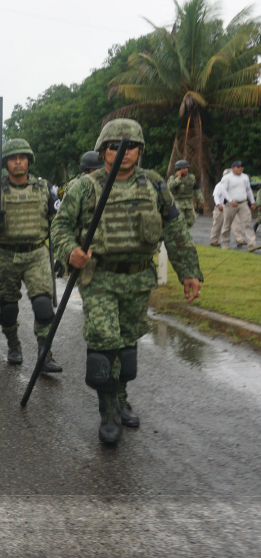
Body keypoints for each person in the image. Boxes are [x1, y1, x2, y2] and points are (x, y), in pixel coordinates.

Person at [52, 119, 202, 445]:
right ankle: (107, 411)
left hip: (138, 278)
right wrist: (70, 251)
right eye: (115, 146)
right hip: (99, 277)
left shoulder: (155, 185)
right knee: (104, 346)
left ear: (140, 150)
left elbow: (175, 231)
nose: (123, 152)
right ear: (103, 149)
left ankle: (121, 397)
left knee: (127, 344)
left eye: (130, 145)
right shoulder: (84, 186)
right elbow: (60, 228)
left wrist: (189, 271)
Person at [0, 138, 62, 372]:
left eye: (22, 157)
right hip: (6, 255)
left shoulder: (45, 188)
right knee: (8, 310)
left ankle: (45, 355)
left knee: (44, 306)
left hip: (37, 255)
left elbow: (60, 224)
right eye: (13, 158)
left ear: (29, 161)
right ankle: (14, 345)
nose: (18, 162)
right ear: (5, 163)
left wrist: (62, 256)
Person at [218, 161, 256, 249]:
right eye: (238, 167)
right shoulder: (227, 178)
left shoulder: (245, 177)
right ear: (232, 168)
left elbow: (248, 190)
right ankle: (225, 244)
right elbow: (223, 190)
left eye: (242, 167)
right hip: (231, 204)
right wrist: (230, 200)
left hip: (243, 203)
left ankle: (252, 244)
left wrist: (253, 202)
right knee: (227, 224)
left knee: (247, 223)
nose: (240, 168)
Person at [167, 159, 203, 229]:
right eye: (183, 168)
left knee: (191, 221)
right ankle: (181, 235)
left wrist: (201, 200)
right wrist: (178, 179)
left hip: (189, 203)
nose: (186, 170)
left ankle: (185, 232)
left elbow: (196, 189)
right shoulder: (173, 178)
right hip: (178, 203)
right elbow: (169, 187)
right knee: (179, 221)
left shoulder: (191, 178)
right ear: (178, 169)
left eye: (187, 168)